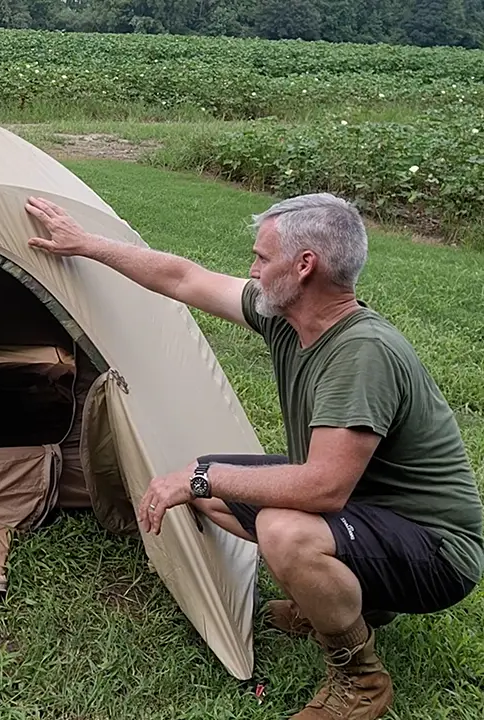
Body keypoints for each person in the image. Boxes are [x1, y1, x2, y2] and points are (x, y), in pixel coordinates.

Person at [24, 192, 482, 720]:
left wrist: (205, 479)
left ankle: (359, 679)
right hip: (367, 509)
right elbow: (183, 278)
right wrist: (87, 244)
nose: (252, 269)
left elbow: (322, 489)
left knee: (282, 530)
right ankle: (352, 601)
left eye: (262, 258)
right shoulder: (289, 318)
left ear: (304, 266)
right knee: (212, 492)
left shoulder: (362, 355)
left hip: (437, 551)